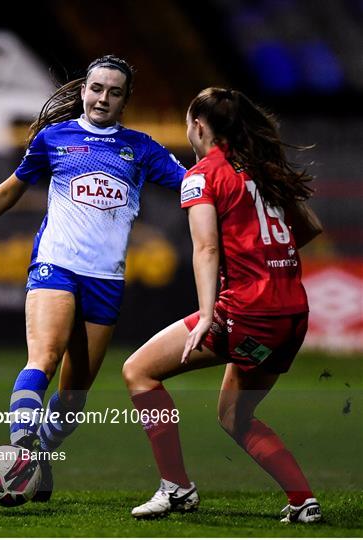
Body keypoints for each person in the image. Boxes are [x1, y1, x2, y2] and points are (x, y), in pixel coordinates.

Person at [0, 54, 186, 501]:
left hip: (105, 281)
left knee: (73, 403)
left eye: (114, 92)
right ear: (82, 91)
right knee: (44, 358)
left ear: (125, 99)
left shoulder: (143, 148)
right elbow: (12, 188)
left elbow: (192, 188)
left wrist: (235, 186)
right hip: (55, 266)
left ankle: (42, 453)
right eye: (97, 88)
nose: (103, 98)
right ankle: (22, 451)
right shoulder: (55, 139)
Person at [122, 87, 323, 523]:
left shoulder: (203, 174)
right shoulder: (265, 169)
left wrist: (209, 314)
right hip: (290, 317)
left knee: (138, 371)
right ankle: (302, 501)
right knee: (235, 416)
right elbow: (310, 226)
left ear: (197, 126)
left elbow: (206, 249)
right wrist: (266, 257)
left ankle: (176, 488)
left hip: (245, 314)